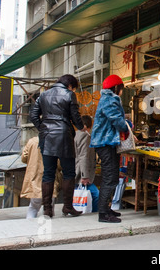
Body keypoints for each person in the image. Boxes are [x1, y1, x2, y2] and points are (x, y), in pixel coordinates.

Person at [30, 74, 86, 218]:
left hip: (46, 137)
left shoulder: (43, 95)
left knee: (48, 173)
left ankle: (47, 210)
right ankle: (67, 207)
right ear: (70, 86)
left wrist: (42, 128)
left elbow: (33, 115)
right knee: (69, 173)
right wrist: (81, 127)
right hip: (63, 136)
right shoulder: (69, 95)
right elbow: (75, 116)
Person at [90, 74, 133, 223]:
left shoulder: (108, 98)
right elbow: (116, 120)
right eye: (121, 88)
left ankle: (107, 208)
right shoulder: (110, 99)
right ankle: (103, 213)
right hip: (105, 143)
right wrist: (127, 127)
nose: (121, 91)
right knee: (109, 177)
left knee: (112, 176)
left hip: (107, 143)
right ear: (116, 88)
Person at [20, 136, 62, 218]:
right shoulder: (54, 141)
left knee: (33, 207)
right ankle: (48, 228)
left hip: (34, 177)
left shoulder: (32, 141)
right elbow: (59, 163)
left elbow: (24, 158)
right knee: (49, 209)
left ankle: (29, 227)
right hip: (50, 179)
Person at [75, 115, 99, 212]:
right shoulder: (85, 136)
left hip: (76, 170)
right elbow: (83, 156)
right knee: (96, 194)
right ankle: (94, 212)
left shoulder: (75, 135)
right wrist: (84, 176)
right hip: (82, 173)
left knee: (77, 192)